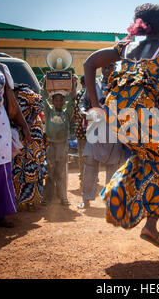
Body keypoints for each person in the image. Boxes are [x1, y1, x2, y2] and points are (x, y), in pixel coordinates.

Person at [84, 3, 159, 248]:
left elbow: (89, 62)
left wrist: (96, 105)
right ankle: (149, 225)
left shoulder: (126, 45)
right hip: (143, 112)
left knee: (146, 157)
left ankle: (116, 195)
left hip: (117, 113)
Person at [0, 28, 31, 227]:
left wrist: (23, 125)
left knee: (2, 169)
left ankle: (0, 214)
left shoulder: (0, 69)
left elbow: (11, 100)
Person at [76, 63, 123, 209]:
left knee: (113, 167)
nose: (107, 70)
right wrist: (84, 112)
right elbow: (83, 102)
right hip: (95, 130)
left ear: (115, 67)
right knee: (89, 163)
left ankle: (111, 200)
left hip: (114, 131)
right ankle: (87, 198)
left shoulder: (121, 84)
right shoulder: (94, 83)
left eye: (110, 67)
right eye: (105, 67)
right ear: (101, 69)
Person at [41, 75, 77, 206]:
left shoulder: (66, 113)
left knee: (61, 173)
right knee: (49, 173)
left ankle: (63, 197)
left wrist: (74, 84)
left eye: (61, 100)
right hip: (51, 146)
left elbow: (73, 99)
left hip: (62, 146)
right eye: (56, 100)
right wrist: (44, 83)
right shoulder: (49, 112)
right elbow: (43, 98)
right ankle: (48, 198)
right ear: (53, 102)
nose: (58, 103)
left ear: (63, 102)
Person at [12, 83, 48, 211]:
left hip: (33, 133)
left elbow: (40, 104)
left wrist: (30, 122)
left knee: (33, 166)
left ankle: (32, 201)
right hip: (18, 134)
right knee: (19, 167)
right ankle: (20, 201)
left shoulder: (24, 92)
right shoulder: (5, 95)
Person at [73, 75, 87, 188]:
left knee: (82, 153)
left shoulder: (79, 94)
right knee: (91, 153)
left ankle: (83, 175)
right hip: (91, 129)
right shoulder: (92, 93)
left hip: (79, 129)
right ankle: (90, 176)